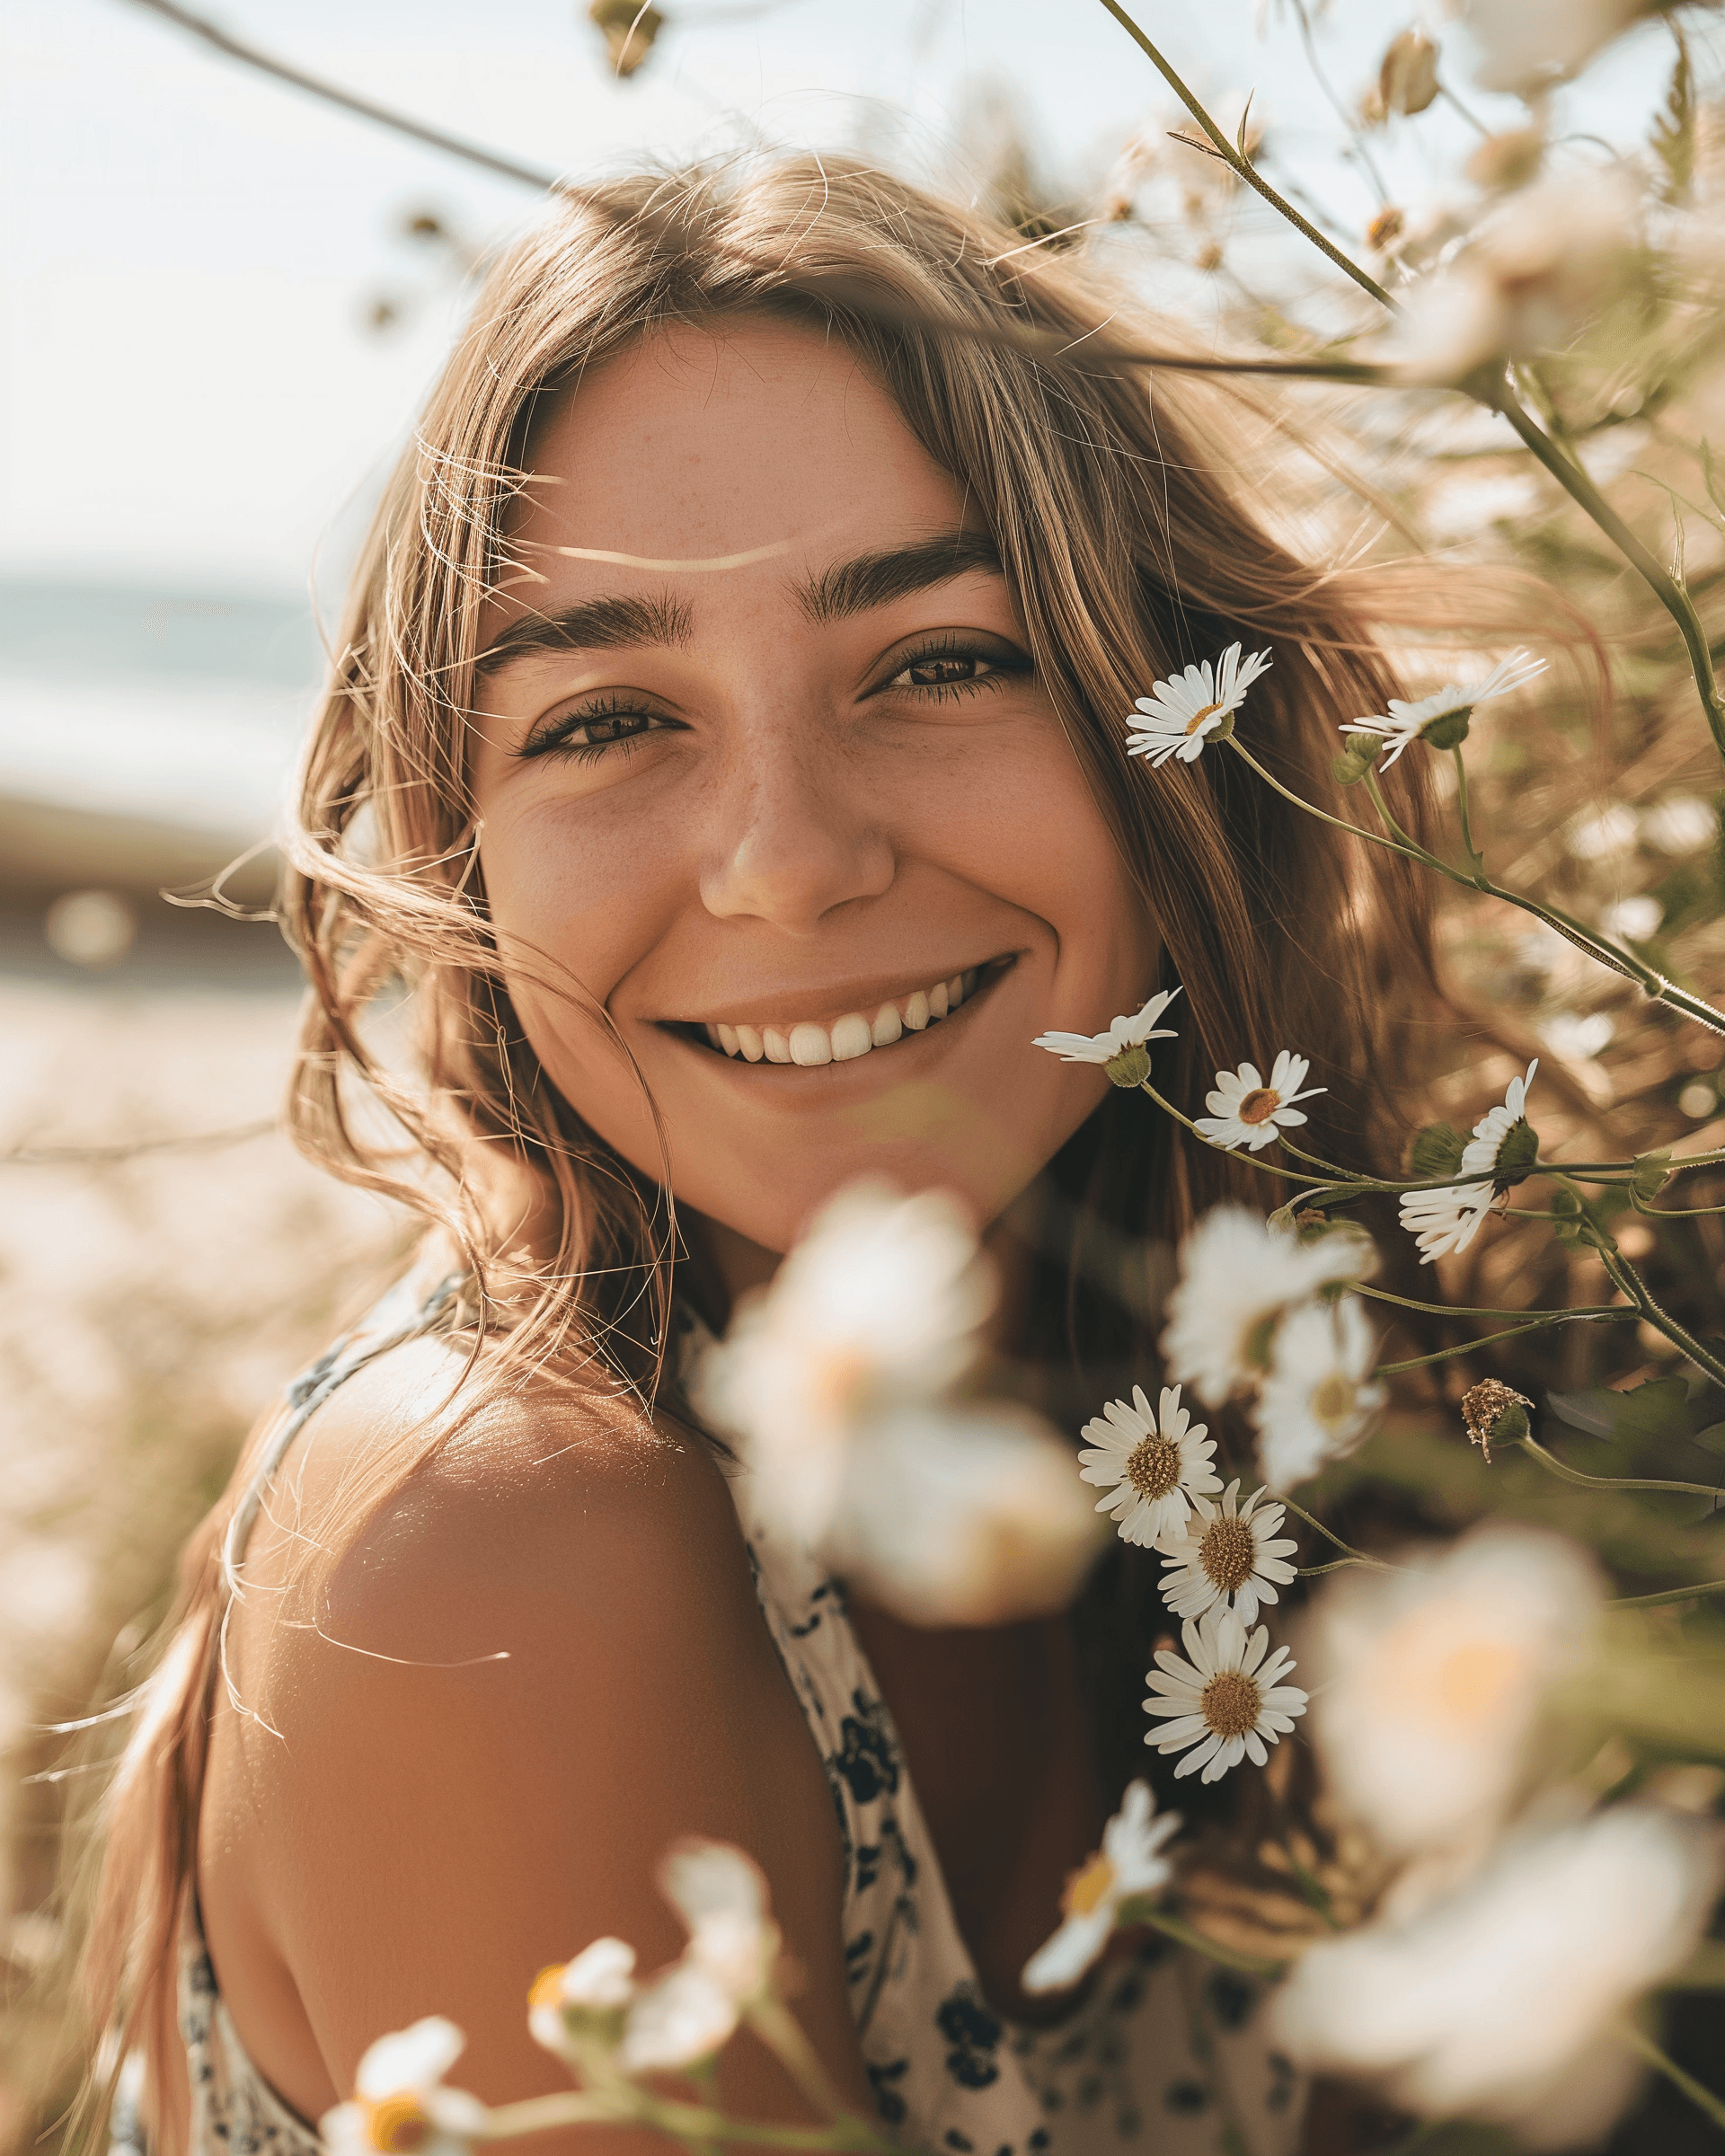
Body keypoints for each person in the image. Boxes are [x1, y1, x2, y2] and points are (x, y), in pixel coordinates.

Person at [80, 155, 1432, 2156]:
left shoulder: (1227, 1400)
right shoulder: (502, 1544)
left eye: (943, 661)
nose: (793, 864)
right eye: (613, 719)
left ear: (1173, 728)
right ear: (461, 852)